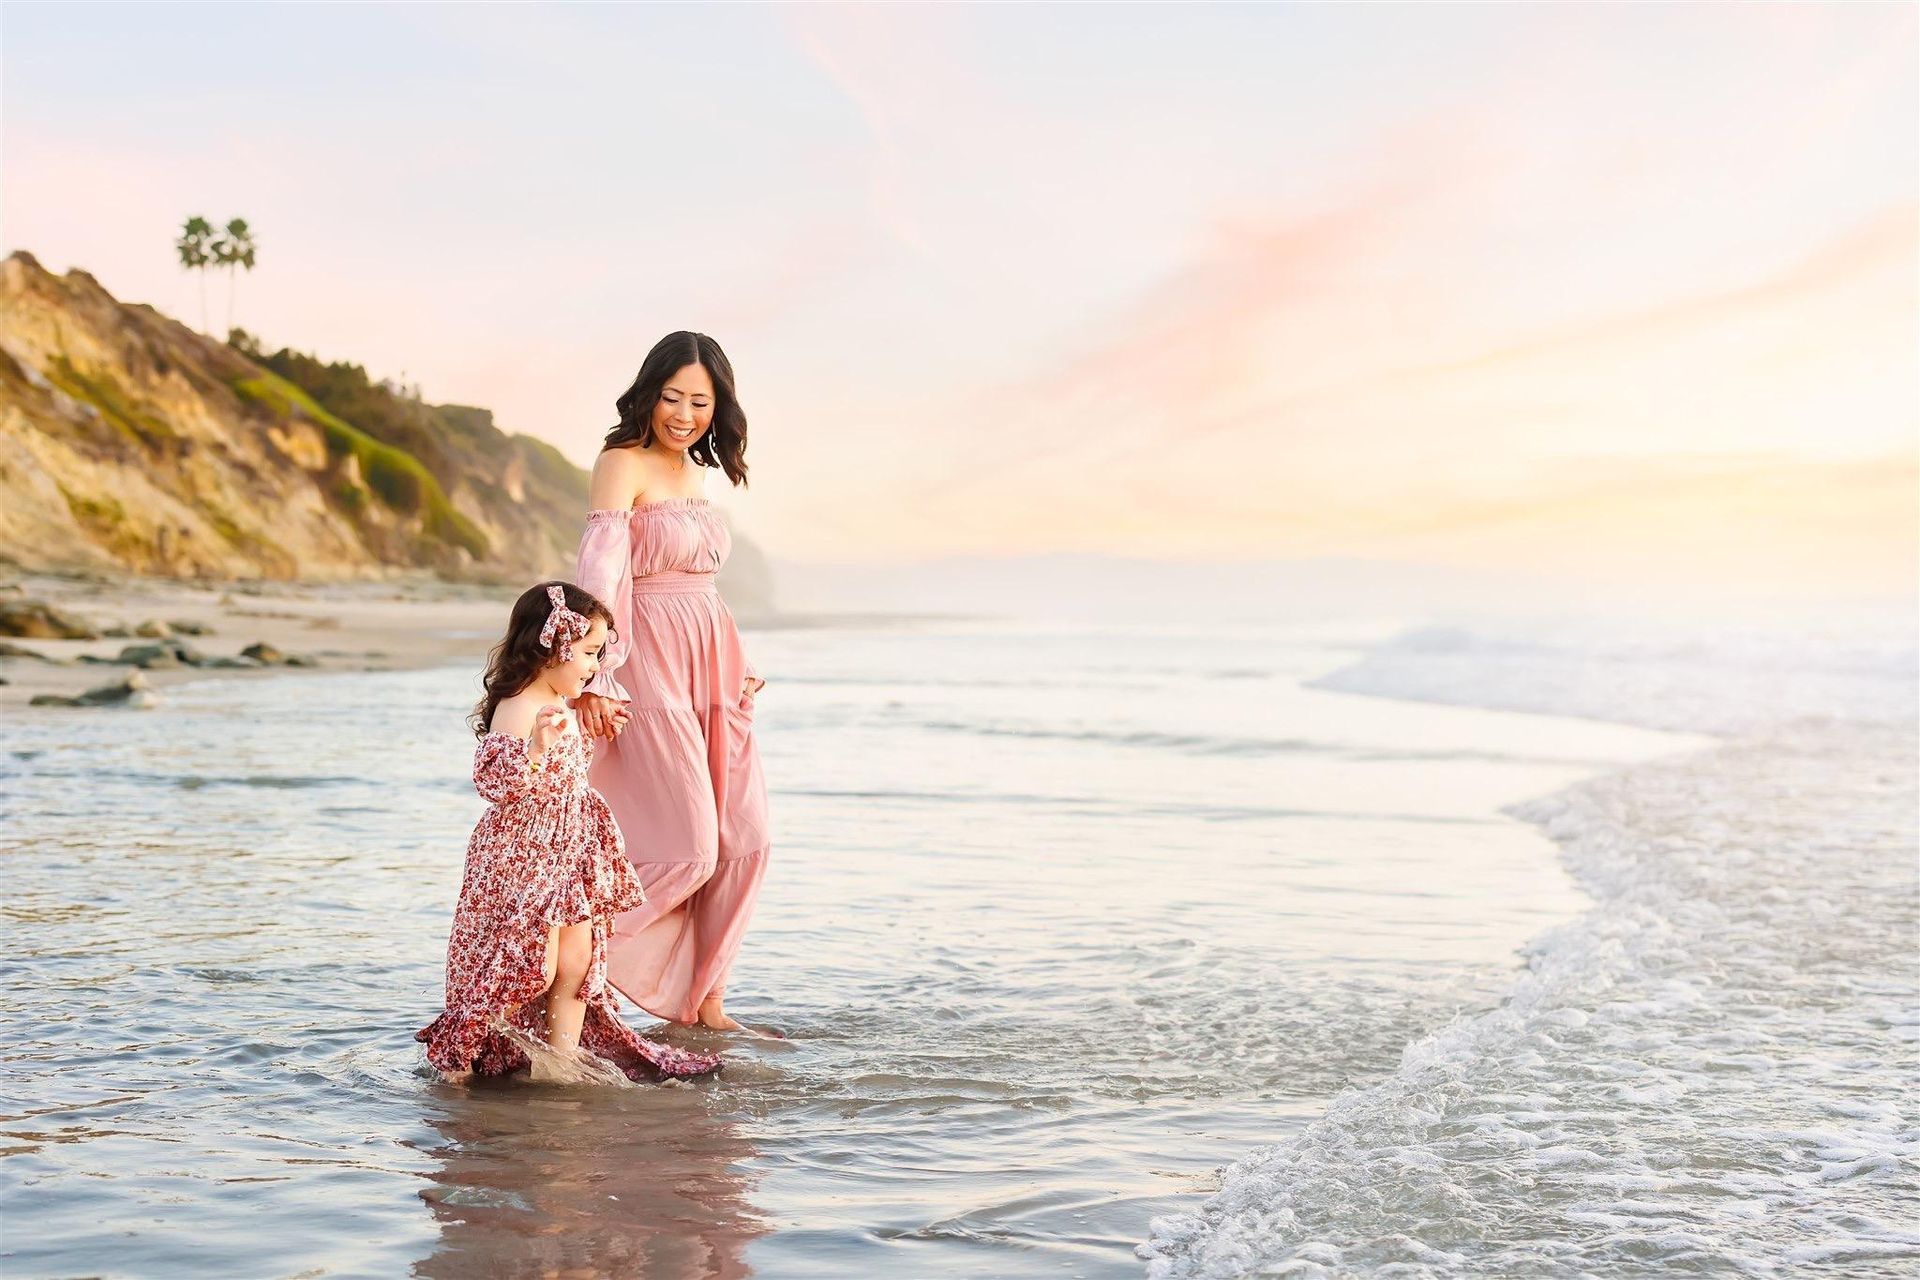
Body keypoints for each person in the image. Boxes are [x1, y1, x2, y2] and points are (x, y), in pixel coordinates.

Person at [416, 581, 723, 1083]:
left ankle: (558, 1066)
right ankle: (462, 1057)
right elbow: (493, 780)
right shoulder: (520, 706)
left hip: (571, 850)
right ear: (551, 646)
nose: (595, 666)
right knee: (532, 965)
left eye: (599, 654)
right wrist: (535, 747)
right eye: (587, 653)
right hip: (525, 854)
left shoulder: (564, 701)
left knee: (579, 964)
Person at [573, 331, 775, 1034]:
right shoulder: (620, 462)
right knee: (690, 847)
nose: (684, 414)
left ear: (718, 407)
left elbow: (704, 586)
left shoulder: (696, 472)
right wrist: (595, 675)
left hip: (712, 664)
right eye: (672, 397)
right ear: (649, 393)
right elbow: (600, 572)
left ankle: (704, 1004)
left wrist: (739, 665)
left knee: (743, 840)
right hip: (647, 661)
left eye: (700, 400)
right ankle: (569, 967)